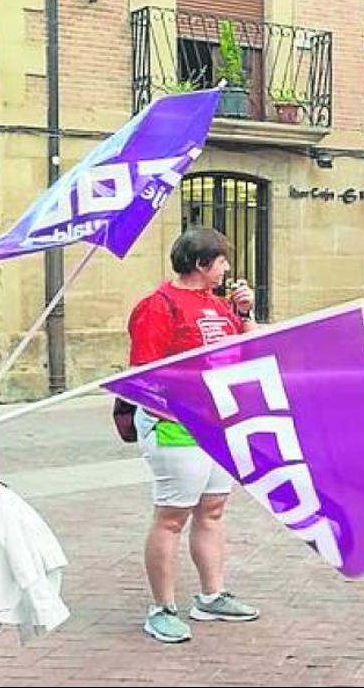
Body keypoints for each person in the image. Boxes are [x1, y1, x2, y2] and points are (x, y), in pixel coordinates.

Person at [127, 227, 260, 643]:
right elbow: (143, 374)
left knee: (213, 509)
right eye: (220, 261)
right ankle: (162, 607)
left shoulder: (219, 307)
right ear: (201, 264)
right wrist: (172, 413)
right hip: (176, 427)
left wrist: (246, 313)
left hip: (217, 424)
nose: (226, 270)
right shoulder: (158, 305)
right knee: (172, 516)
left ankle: (212, 594)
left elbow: (249, 352)